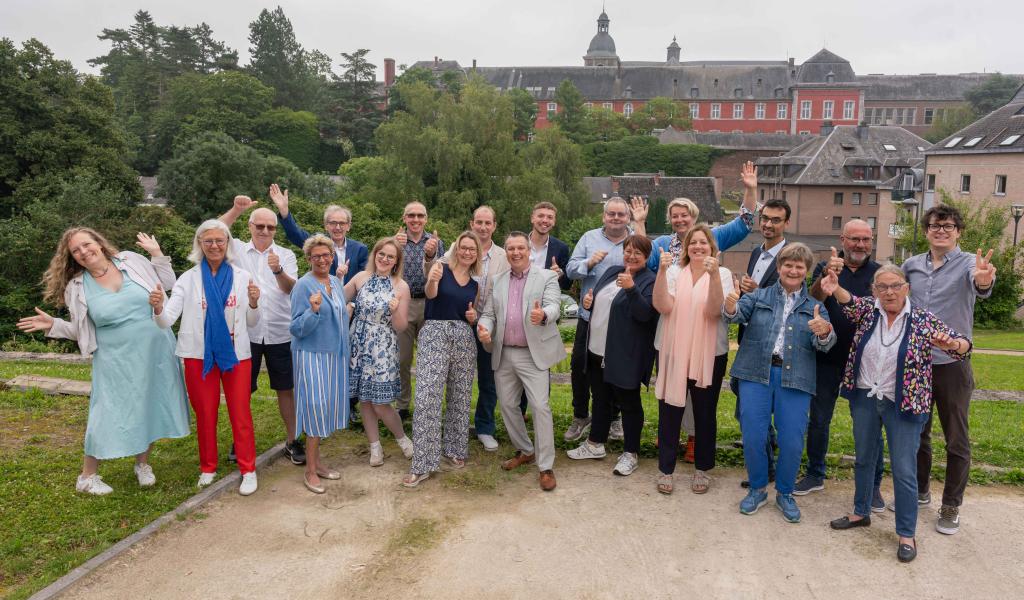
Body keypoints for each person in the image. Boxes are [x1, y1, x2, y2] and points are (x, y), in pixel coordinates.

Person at [17, 229, 189, 495]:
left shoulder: (131, 260)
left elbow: (167, 284)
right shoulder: (78, 286)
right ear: (72, 257)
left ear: (98, 243)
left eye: (87, 244)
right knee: (105, 411)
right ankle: (87, 477)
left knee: (152, 403)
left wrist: (156, 255)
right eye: (76, 250)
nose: (84, 251)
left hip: (156, 348)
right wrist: (54, 325)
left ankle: (142, 464)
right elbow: (81, 330)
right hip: (114, 357)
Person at [821, 265, 971, 563]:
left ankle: (906, 532)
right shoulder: (868, 310)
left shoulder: (922, 319)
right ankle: (860, 512)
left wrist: (953, 344)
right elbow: (848, 301)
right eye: (882, 287)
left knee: (903, 469)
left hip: (903, 402)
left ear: (906, 288)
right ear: (874, 290)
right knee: (864, 457)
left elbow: (964, 346)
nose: (889, 292)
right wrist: (834, 286)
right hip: (865, 395)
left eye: (895, 286)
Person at [642, 162, 758, 461]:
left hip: (705, 337)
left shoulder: (713, 238)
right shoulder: (663, 246)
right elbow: (642, 257)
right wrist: (640, 223)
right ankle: (669, 436)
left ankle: (695, 439)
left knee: (702, 396)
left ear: (695, 218)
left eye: (685, 215)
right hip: (674, 331)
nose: (680, 220)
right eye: (675, 216)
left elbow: (745, 222)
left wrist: (749, 189)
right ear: (671, 221)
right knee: (670, 389)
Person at [724, 242, 835, 523]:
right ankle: (758, 489)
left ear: (806, 271)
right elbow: (735, 315)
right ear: (779, 267)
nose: (793, 269)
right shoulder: (758, 296)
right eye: (788, 264)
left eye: (799, 266)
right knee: (753, 436)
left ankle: (784, 493)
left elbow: (824, 344)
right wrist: (729, 305)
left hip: (795, 379)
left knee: (792, 440)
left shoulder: (816, 307)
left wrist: (824, 333)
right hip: (754, 374)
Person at [903, 205, 996, 535]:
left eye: (948, 225)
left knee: (956, 439)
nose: (940, 230)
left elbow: (982, 284)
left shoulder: (971, 263)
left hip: (952, 366)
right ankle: (921, 491)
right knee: (918, 434)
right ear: (926, 230)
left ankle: (951, 505)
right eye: (934, 225)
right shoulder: (911, 265)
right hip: (916, 365)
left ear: (958, 231)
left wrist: (984, 282)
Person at [152, 220, 262, 496]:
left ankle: (249, 469)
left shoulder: (241, 276)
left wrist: (254, 303)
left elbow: (252, 321)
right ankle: (208, 467)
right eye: (208, 241)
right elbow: (166, 321)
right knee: (205, 414)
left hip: (236, 355)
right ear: (199, 244)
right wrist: (157, 307)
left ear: (228, 244)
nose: (214, 246)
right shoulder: (188, 279)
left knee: (241, 413)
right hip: (197, 355)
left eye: (219, 241)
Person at [796, 220, 883, 503]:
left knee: (870, 425)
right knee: (819, 420)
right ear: (842, 240)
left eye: (866, 239)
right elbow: (811, 301)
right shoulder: (827, 267)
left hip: (867, 363)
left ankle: (873, 485)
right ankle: (815, 474)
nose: (860, 245)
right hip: (827, 358)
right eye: (854, 239)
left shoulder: (879, 273)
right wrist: (825, 279)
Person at [218, 198, 305, 466]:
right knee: (243, 390)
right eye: (260, 226)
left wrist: (277, 269)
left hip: (281, 331)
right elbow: (214, 229)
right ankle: (240, 439)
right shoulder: (236, 251)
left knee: (286, 389)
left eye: (271, 227)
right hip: (245, 331)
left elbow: (292, 289)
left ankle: (292, 440)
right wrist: (236, 209)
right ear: (250, 226)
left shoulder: (287, 255)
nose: (265, 231)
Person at [477, 232, 566, 490]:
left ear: (529, 251)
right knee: (507, 405)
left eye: (520, 248)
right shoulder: (498, 280)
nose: (516, 253)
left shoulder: (547, 276)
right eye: (511, 249)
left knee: (540, 406)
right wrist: (484, 327)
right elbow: (489, 313)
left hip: (532, 354)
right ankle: (525, 450)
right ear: (506, 252)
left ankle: (546, 465)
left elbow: (554, 306)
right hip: (504, 352)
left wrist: (543, 315)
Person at [566, 235, 658, 477]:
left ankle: (631, 453)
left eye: (638, 252)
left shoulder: (650, 281)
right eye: (628, 250)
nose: (632, 255)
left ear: (647, 256)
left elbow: (645, 315)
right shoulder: (612, 271)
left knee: (629, 404)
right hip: (597, 350)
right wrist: (588, 302)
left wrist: (631, 289)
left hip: (625, 354)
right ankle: (595, 444)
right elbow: (598, 300)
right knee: (600, 399)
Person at [652, 224, 731, 494]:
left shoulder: (723, 273)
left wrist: (714, 277)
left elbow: (713, 312)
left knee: (705, 413)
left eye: (703, 242)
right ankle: (666, 469)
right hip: (673, 350)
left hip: (710, 354)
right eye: (693, 243)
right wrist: (661, 272)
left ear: (713, 248)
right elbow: (663, 306)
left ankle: (702, 469)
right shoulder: (674, 272)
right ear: (686, 249)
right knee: (669, 411)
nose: (698, 247)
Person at [402, 231, 481, 487]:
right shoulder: (440, 268)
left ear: (477, 254)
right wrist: (432, 280)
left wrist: (473, 319)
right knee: (427, 397)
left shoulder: (475, 283)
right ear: (457, 248)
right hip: (435, 333)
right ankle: (423, 462)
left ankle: (454, 449)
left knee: (460, 395)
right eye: (464, 247)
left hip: (463, 336)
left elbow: (473, 313)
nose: (467, 252)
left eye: (473, 249)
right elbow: (430, 294)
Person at [564, 197, 634, 443]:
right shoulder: (588, 238)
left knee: (614, 369)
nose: (616, 218)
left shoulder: (635, 239)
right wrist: (589, 262)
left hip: (621, 321)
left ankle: (614, 418)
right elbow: (570, 270)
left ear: (628, 217)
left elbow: (648, 269)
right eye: (611, 214)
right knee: (580, 366)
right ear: (604, 216)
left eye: (621, 215)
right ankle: (581, 415)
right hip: (589, 315)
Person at [733, 197, 791, 487]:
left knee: (766, 406)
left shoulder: (790, 257)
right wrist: (745, 292)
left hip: (774, 345)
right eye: (765, 218)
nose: (768, 224)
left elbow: (790, 300)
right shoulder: (757, 251)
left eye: (775, 220)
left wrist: (756, 291)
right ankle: (763, 459)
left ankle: (769, 466)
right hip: (750, 336)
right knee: (749, 404)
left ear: (786, 223)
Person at [345, 237, 415, 466]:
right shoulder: (360, 278)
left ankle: (403, 440)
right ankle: (375, 447)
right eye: (381, 254)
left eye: (390, 256)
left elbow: (402, 326)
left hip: (383, 347)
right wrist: (337, 277)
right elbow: (336, 299)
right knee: (365, 399)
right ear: (375, 254)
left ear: (396, 261)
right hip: (359, 342)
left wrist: (395, 311)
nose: (385, 259)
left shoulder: (401, 286)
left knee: (380, 402)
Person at [289, 235, 351, 494]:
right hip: (311, 356)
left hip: (334, 357)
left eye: (326, 255)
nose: (323, 260)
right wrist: (313, 311)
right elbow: (295, 327)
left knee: (325, 410)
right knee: (314, 411)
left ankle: (318, 463)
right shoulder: (303, 286)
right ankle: (310, 471)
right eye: (317, 256)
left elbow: (339, 319)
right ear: (309, 259)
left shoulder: (336, 282)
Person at [465, 206, 510, 452]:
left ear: (494, 225)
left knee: (488, 380)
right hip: (461, 322)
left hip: (490, 325)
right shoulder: (459, 248)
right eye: (479, 222)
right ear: (472, 223)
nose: (483, 227)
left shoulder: (504, 256)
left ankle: (485, 428)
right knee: (458, 378)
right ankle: (457, 425)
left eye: (487, 223)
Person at [395, 201, 445, 421]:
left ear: (426, 218)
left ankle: (427, 404)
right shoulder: (396, 241)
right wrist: (395, 247)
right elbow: (385, 271)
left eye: (420, 215)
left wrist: (431, 254)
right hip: (403, 304)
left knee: (429, 359)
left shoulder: (436, 243)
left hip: (429, 304)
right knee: (402, 359)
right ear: (404, 218)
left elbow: (440, 273)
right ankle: (403, 405)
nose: (416, 220)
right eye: (411, 215)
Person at [268, 184, 368, 283]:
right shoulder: (317, 243)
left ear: (348, 226)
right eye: (333, 223)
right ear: (326, 225)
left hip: (349, 298)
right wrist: (284, 211)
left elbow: (363, 280)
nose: (338, 227)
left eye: (342, 223)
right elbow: (295, 234)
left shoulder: (360, 249)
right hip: (320, 296)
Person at [528, 201, 572, 290]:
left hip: (546, 300)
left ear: (554, 222)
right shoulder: (517, 244)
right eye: (540, 216)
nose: (545, 220)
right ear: (532, 218)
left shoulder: (561, 248)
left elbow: (567, 285)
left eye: (550, 217)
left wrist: (560, 274)